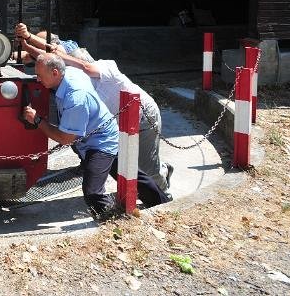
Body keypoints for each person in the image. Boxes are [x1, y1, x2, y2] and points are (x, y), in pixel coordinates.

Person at [16, 23, 173, 198]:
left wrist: (29, 37)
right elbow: (48, 60)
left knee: (147, 170)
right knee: (127, 167)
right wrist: (27, 45)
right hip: (116, 122)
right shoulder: (72, 75)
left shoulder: (103, 68)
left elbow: (75, 63)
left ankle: (165, 195)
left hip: (142, 117)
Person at [23, 53, 169, 220]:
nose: (37, 79)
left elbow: (66, 138)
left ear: (55, 72)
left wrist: (37, 120)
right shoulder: (69, 73)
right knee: (133, 176)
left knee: (93, 192)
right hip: (101, 134)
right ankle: (164, 205)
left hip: (100, 141)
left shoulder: (75, 98)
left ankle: (115, 221)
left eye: (40, 75)